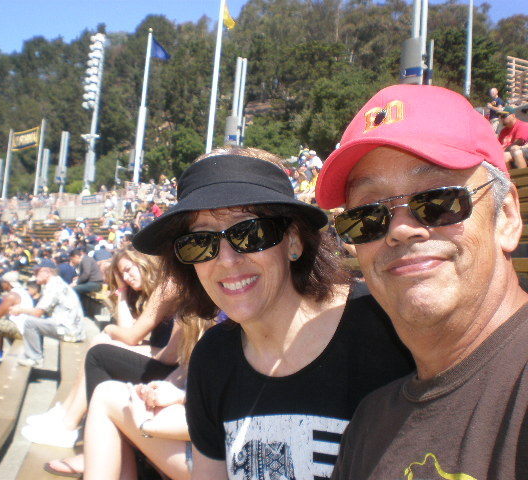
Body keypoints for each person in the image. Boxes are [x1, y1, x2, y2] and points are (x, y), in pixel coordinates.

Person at [132, 147, 414, 479]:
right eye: (200, 242)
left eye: (250, 233)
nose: (226, 260)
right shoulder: (212, 358)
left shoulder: (387, 326)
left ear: (293, 241)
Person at [314, 84, 528, 479]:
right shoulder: (368, 426)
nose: (400, 230)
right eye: (368, 215)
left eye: (437, 200)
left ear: (507, 217)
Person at [21, 247, 177, 454]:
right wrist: (122, 291)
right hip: (164, 359)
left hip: (172, 370)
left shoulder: (166, 286)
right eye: (121, 274)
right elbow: (128, 330)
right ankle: (66, 412)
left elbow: (131, 337)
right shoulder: (153, 290)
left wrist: (109, 328)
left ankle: (69, 423)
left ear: (144, 263)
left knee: (100, 345)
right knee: (101, 341)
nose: (126, 277)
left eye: (128, 270)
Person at [81, 317, 210, 480]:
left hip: (219, 464)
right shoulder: (217, 326)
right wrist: (155, 392)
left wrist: (146, 425)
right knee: (114, 391)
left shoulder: (227, 328)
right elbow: (188, 365)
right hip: (202, 434)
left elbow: (217, 424)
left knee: (105, 391)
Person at [10, 259, 85, 368]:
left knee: (29, 323)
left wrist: (20, 310)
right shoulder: (56, 283)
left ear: (47, 272)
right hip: (72, 329)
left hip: (70, 331)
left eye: (37, 272)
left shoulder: (54, 285)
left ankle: (35, 359)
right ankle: (34, 354)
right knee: (35, 322)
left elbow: (37, 313)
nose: (35, 275)